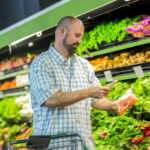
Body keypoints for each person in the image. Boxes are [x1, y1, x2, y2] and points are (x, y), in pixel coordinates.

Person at [28, 16, 124, 150]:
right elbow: (50, 99)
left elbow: (95, 100)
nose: (79, 41)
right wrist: (88, 92)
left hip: (81, 144)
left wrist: (115, 105)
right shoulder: (41, 63)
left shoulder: (84, 65)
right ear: (62, 31)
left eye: (81, 37)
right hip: (51, 146)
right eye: (77, 35)